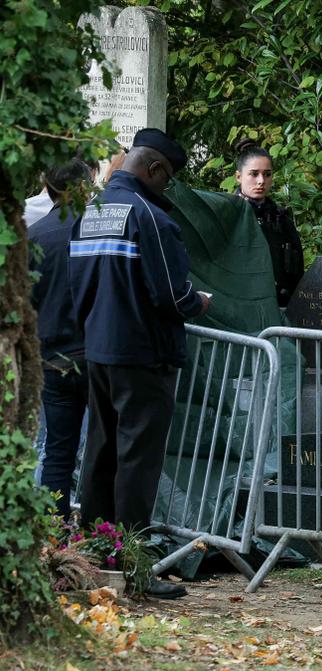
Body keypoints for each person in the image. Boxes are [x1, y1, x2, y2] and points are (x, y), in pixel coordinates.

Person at [69, 128, 211, 600]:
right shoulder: (149, 217)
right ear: (153, 169)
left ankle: (92, 555)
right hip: (143, 355)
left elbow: (78, 289)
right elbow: (171, 294)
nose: (166, 187)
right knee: (138, 462)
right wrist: (198, 302)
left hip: (98, 350)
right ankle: (132, 565)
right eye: (167, 178)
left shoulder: (90, 213)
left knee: (100, 452)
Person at [28, 157, 97, 518]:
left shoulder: (35, 235)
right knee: (102, 450)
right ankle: (101, 536)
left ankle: (53, 537)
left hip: (53, 357)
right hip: (98, 353)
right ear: (84, 186)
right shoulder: (99, 229)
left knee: (57, 452)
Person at [234, 141, 304, 306]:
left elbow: (297, 271)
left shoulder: (281, 219)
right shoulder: (228, 216)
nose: (261, 181)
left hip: (279, 308)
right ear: (238, 176)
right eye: (253, 174)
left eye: (267, 174)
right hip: (239, 308)